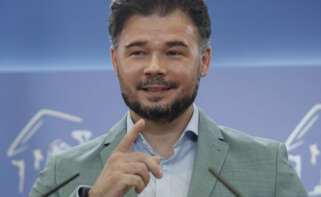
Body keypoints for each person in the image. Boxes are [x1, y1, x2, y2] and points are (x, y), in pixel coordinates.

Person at [30, 0, 307, 196]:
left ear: (204, 61)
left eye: (174, 52)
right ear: (115, 62)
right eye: (138, 52)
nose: (154, 67)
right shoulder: (64, 173)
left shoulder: (266, 165)